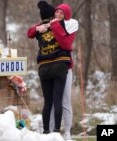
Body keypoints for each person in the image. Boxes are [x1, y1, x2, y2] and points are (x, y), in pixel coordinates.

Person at [27, 1, 77, 135]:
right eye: (57, 11)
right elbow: (30, 32)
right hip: (49, 66)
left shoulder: (69, 26)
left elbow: (66, 44)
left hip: (65, 68)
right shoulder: (48, 23)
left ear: (66, 16)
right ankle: (51, 134)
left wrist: (54, 25)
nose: (58, 14)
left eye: (62, 13)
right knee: (52, 103)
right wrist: (38, 28)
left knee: (65, 101)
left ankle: (67, 132)